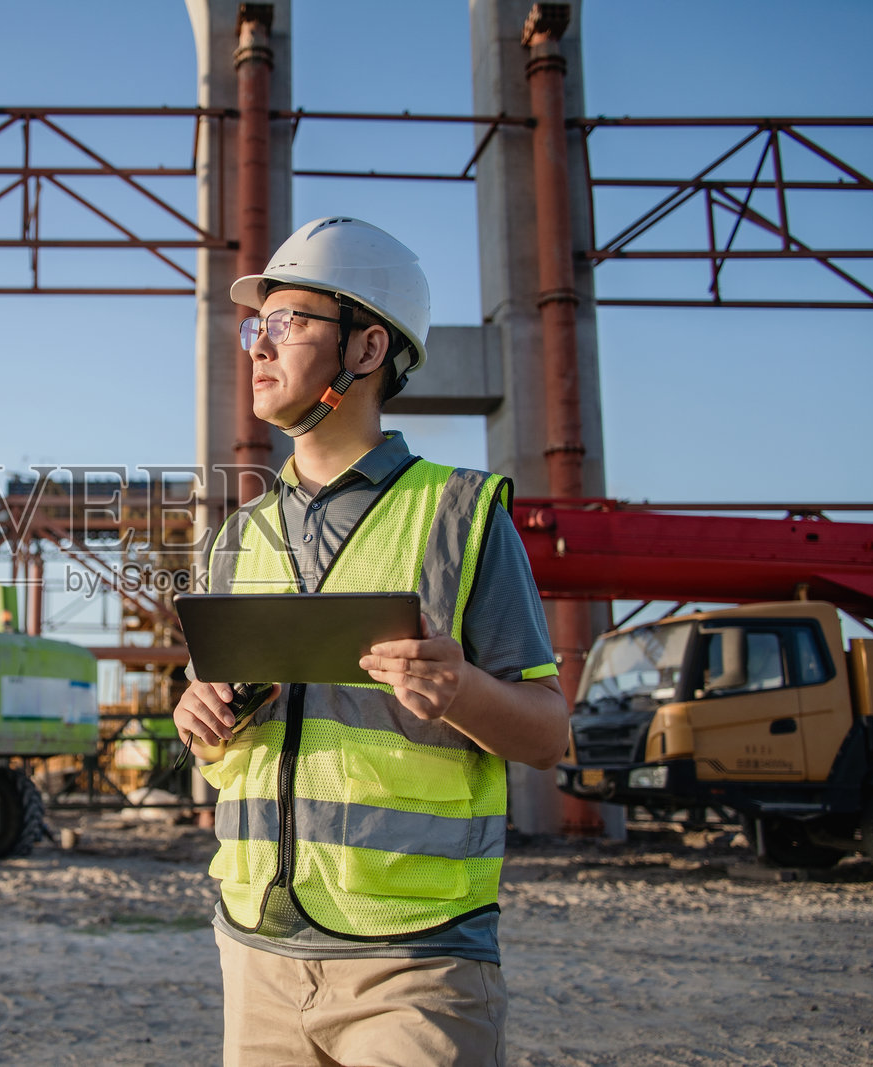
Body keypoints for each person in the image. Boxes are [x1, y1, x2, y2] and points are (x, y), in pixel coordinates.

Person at [173, 216, 570, 1067]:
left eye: (288, 323)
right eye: (256, 326)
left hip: (414, 963)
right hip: (255, 954)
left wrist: (462, 692)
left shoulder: (460, 517)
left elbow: (548, 733)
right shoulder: (234, 539)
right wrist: (200, 718)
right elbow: (221, 752)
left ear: (366, 348)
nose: (259, 345)